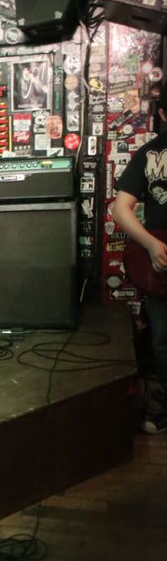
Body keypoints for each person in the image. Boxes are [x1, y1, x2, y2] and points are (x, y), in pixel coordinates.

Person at [113, 82, 167, 434]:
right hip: (162, 263)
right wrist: (150, 244)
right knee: (162, 339)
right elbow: (121, 208)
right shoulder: (149, 154)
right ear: (163, 114)